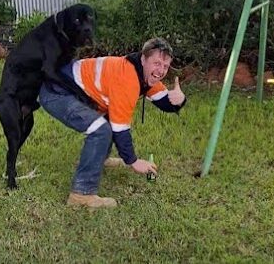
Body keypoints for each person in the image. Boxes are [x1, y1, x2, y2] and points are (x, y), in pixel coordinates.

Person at [38, 37, 186, 208]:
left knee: (105, 122)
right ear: (143, 59)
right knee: (101, 130)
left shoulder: (144, 75)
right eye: (157, 63)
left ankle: (99, 158)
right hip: (56, 93)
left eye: (165, 66)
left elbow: (167, 104)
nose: (160, 71)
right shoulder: (128, 78)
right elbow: (120, 129)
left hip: (71, 91)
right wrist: (133, 161)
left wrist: (180, 100)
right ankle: (81, 195)